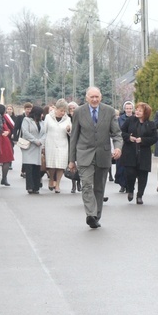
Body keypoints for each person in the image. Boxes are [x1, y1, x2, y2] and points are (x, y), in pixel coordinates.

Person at [68, 86, 123, 229]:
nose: (94, 99)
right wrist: (71, 160)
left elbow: (116, 133)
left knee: (99, 188)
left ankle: (96, 216)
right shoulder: (79, 112)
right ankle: (90, 214)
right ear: (87, 98)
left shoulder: (109, 111)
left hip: (103, 155)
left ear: (101, 97)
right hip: (84, 154)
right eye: (91, 97)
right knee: (86, 185)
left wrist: (117, 147)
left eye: (96, 97)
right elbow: (74, 137)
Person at [120, 102, 158, 204]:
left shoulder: (151, 124)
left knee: (143, 175)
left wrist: (143, 140)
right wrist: (129, 137)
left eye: (140, 110)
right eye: (136, 109)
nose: (137, 112)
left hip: (144, 153)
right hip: (130, 151)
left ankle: (140, 195)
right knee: (130, 173)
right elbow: (122, 132)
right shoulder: (130, 120)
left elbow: (154, 138)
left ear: (145, 113)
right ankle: (131, 190)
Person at [43, 99, 71, 193]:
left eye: (64, 111)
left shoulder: (68, 119)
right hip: (50, 143)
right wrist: (43, 146)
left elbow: (71, 133)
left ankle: (58, 184)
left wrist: (69, 130)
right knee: (52, 165)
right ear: (56, 109)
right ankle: (51, 179)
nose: (63, 113)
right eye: (61, 110)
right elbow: (44, 131)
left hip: (63, 144)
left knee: (61, 165)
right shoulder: (48, 117)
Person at [21, 105, 45, 194]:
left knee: (36, 168)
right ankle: (30, 187)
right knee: (29, 168)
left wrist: (41, 141)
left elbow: (44, 133)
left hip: (38, 147)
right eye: (41, 114)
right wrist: (35, 140)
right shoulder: (26, 120)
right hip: (29, 146)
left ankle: (36, 187)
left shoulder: (42, 122)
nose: (42, 116)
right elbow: (25, 132)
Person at [114, 101, 133, 192]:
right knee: (121, 166)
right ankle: (122, 184)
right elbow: (117, 131)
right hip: (122, 144)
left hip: (132, 145)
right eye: (127, 108)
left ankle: (129, 185)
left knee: (129, 166)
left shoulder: (135, 118)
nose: (128, 110)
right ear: (124, 109)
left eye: (130, 108)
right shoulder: (120, 119)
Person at [0, 105, 14, 186]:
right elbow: (8, 128)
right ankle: (4, 178)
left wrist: (7, 131)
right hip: (3, 140)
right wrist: (7, 132)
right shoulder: (3, 118)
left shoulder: (2, 118)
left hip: (3, 139)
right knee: (7, 160)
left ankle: (4, 178)